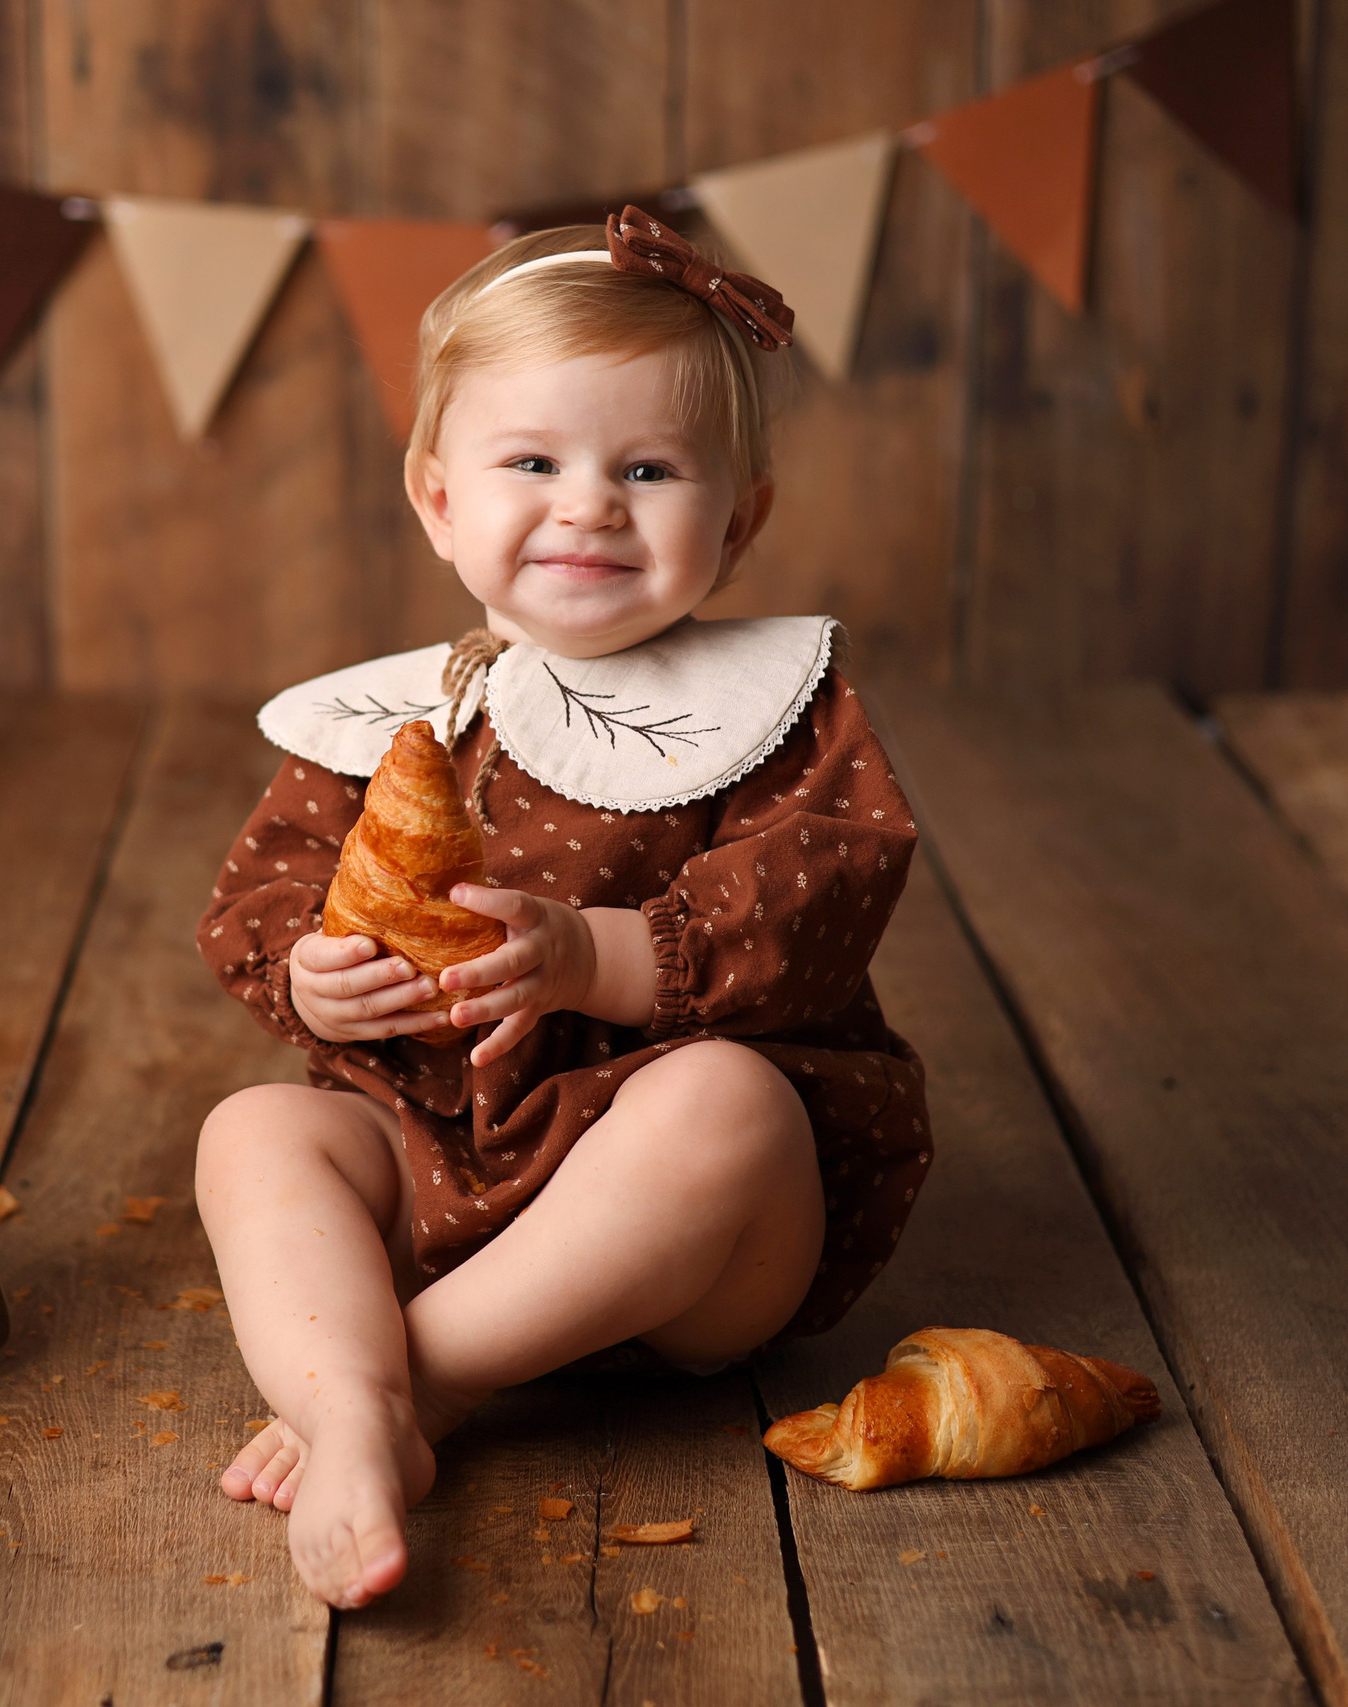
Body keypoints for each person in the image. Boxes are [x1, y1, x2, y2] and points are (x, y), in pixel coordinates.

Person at [193, 209, 931, 1610]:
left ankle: (411, 1384)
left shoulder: (776, 713)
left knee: (728, 1105)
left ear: (740, 519)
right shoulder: (402, 716)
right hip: (437, 1153)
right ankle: (354, 1405)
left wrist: (599, 954)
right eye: (533, 462)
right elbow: (266, 885)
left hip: (693, 1248)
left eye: (648, 469)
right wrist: (311, 974)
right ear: (439, 501)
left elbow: (825, 900)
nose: (589, 505)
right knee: (255, 1132)